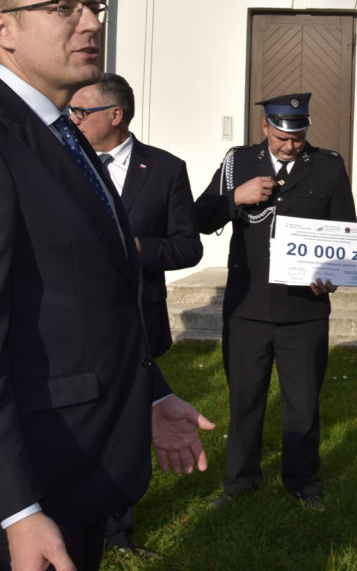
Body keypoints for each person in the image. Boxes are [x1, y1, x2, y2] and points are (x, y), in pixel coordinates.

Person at [0, 0, 212, 571]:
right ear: (1, 29)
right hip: (22, 488)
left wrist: (150, 394)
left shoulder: (62, 133)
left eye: (91, 6)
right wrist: (15, 509)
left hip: (80, 466)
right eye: (62, 8)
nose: (89, 22)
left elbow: (91, 295)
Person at [196, 93, 357, 511]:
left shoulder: (328, 165)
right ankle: (239, 484)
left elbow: (345, 232)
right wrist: (236, 197)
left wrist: (334, 275)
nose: (290, 145)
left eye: (298, 137)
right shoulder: (238, 162)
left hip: (303, 310)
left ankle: (304, 485)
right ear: (265, 127)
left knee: (303, 405)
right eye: (283, 136)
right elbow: (199, 217)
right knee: (244, 401)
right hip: (247, 306)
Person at [69, 72, 204, 557]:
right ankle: (72, 514)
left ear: (115, 115)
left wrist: (136, 247)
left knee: (130, 425)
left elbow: (188, 246)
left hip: (138, 322)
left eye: (81, 112)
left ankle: (118, 532)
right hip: (76, 322)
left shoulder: (165, 169)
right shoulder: (64, 161)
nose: (72, 119)